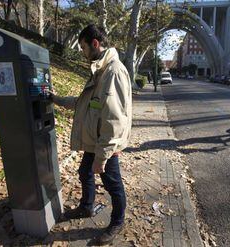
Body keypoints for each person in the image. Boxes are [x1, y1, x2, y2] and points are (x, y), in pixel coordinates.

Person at [51, 24, 132, 245]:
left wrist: (102, 156)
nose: (83, 52)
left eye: (84, 47)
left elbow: (114, 120)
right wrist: (55, 99)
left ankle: (117, 221)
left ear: (95, 44)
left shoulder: (113, 72)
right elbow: (82, 104)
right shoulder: (100, 70)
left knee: (113, 183)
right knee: (84, 171)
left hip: (105, 144)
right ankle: (87, 207)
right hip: (94, 142)